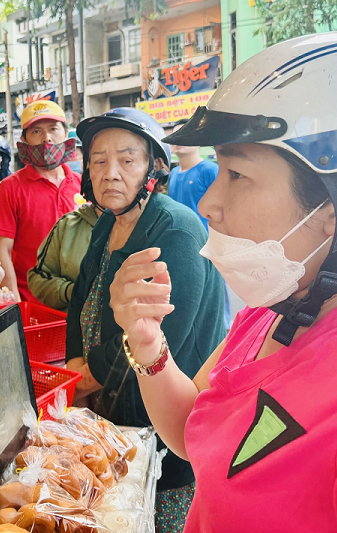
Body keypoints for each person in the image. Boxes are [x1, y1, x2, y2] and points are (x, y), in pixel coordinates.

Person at [112, 32, 337, 531]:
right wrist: (148, 347)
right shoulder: (276, 305)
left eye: (236, 174)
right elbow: (196, 435)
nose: (207, 204)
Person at [65, 107, 225, 531]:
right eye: (99, 160)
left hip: (165, 437)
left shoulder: (175, 229)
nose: (110, 173)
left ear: (154, 167)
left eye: (126, 160)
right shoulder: (107, 224)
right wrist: (71, 366)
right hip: (117, 426)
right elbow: (80, 300)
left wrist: (86, 377)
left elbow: (157, 336)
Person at [0, 100, 81, 303]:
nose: (46, 138)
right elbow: (2, 251)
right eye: (36, 131)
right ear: (24, 139)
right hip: (33, 304)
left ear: (66, 134)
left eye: (53, 129)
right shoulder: (10, 188)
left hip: (80, 305)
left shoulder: (84, 185)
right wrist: (16, 304)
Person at [167, 121, 231, 329]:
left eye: (185, 135)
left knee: (214, 294)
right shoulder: (174, 174)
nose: (179, 142)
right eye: (176, 137)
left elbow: (225, 206)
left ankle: (223, 331)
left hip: (208, 244)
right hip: (182, 246)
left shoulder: (210, 170)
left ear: (197, 142)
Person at [27, 202, 99, 311]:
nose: (112, 185)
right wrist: (70, 291)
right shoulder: (68, 225)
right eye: (104, 182)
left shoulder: (134, 232)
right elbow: (38, 279)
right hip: (69, 324)